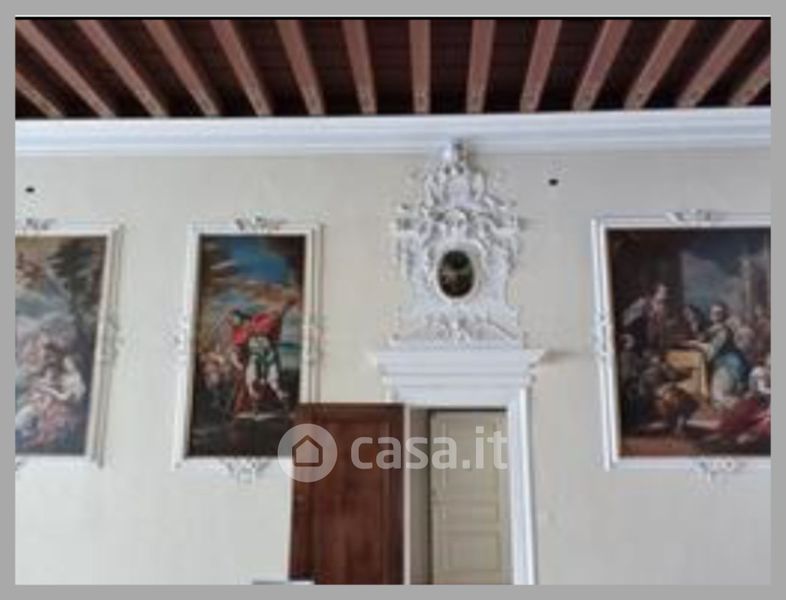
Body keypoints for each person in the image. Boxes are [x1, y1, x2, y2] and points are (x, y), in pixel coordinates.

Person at [687, 302, 749, 410]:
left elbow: (712, 350)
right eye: (713, 312)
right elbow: (702, 337)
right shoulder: (714, 328)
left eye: (719, 313)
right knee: (717, 399)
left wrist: (696, 344)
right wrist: (694, 326)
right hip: (722, 364)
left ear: (724, 315)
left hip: (729, 366)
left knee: (720, 397)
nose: (715, 315)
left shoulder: (723, 330)